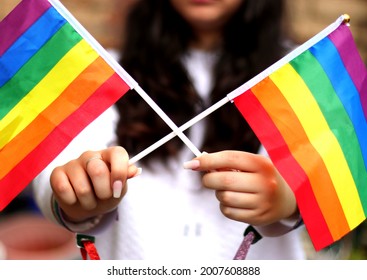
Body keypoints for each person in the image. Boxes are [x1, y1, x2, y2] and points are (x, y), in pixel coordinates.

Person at [33, 0, 305, 260]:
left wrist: (290, 200)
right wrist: (74, 191)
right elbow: (55, 173)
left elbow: (326, 177)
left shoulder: (298, 73)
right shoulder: (108, 72)